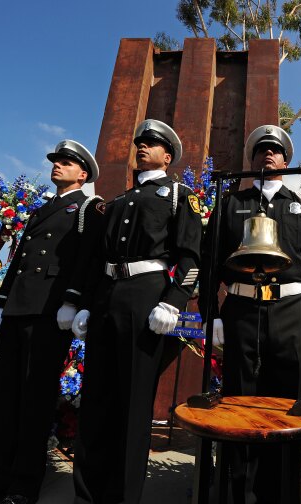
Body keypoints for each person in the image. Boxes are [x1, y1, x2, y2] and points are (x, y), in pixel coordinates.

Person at [0, 140, 104, 504]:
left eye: (66, 163)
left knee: (34, 402)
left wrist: (73, 301)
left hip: (49, 312)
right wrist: (2, 303)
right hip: (19, 308)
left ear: (82, 173)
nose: (57, 166)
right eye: (55, 161)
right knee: (5, 398)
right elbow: (19, 260)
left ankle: (22, 487)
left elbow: (88, 259)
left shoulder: (87, 209)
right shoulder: (39, 211)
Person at [72, 119, 202, 504]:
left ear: (168, 155)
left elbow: (192, 258)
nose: (142, 147)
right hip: (108, 295)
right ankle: (86, 494)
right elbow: (98, 258)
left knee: (132, 402)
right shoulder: (120, 201)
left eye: (152, 143)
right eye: (140, 142)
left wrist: (173, 302)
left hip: (148, 296)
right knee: (96, 400)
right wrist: (85, 304)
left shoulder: (179, 195)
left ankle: (122, 496)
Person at [199, 124, 301, 503]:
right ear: (251, 159)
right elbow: (210, 262)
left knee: (286, 404)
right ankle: (235, 490)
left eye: (274, 150)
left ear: (286, 160)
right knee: (238, 400)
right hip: (240, 308)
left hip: (291, 310)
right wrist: (212, 314)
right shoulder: (230, 202)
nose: (267, 154)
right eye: (260, 150)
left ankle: (278, 492)